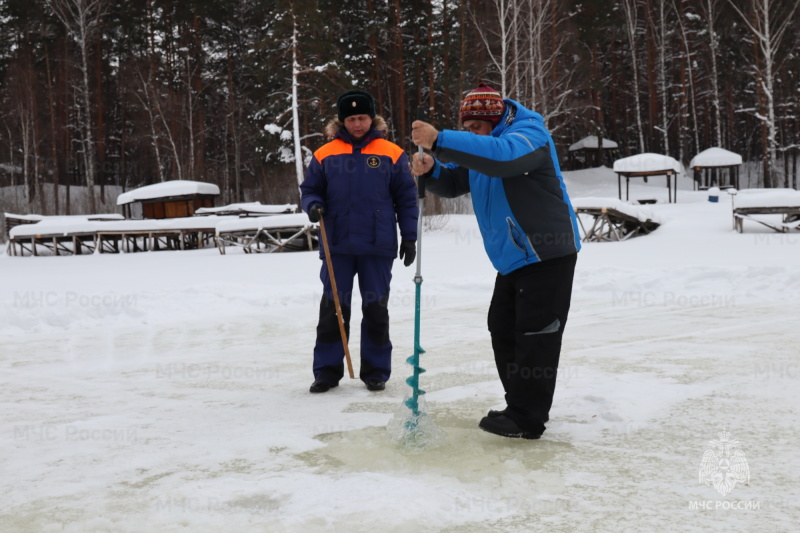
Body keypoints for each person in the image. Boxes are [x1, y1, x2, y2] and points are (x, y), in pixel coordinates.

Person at [411, 83, 580, 439]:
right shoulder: (485, 147)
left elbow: (504, 159)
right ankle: (518, 403)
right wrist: (432, 170)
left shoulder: (528, 134)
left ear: (494, 119)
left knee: (536, 334)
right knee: (502, 327)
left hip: (546, 252)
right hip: (513, 258)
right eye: (467, 128)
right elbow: (457, 177)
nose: (472, 134)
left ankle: (527, 417)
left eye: (476, 128)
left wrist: (441, 139)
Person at [301, 89, 419, 393]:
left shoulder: (391, 152)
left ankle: (376, 371)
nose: (357, 124)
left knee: (376, 307)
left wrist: (409, 237)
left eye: (362, 117)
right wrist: (313, 205)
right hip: (336, 243)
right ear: (342, 121)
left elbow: (406, 199)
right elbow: (310, 189)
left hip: (377, 245)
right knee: (334, 308)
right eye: (351, 119)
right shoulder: (325, 153)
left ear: (372, 118)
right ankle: (326, 372)